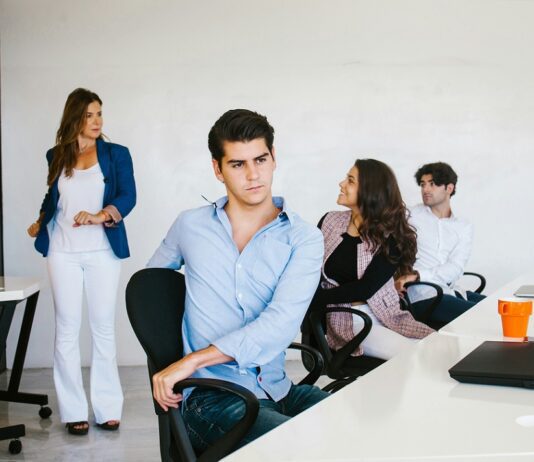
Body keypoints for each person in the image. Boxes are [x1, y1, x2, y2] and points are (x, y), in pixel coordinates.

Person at [147, 109, 327, 450]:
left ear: (274, 158)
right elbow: (148, 291)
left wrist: (193, 359)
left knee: (356, 433)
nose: (253, 174)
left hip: (279, 389)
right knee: (300, 450)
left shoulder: (303, 238)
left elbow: (280, 324)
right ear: (218, 169)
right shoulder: (190, 226)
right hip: (212, 398)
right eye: (237, 164)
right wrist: (172, 358)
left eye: (260, 159)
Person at [27, 88, 136, 435]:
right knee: (67, 329)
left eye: (99, 114)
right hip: (62, 251)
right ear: (74, 116)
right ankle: (73, 411)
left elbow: (128, 195)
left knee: (103, 327)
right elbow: (54, 196)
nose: (97, 121)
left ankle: (107, 409)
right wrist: (40, 219)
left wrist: (100, 215)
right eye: (89, 115)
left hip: (103, 251)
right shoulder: (56, 154)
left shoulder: (117, 154)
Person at [311, 159, 434, 360]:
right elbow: (310, 271)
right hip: (351, 320)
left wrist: (313, 299)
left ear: (370, 191)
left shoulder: (391, 235)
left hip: (389, 316)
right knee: (413, 358)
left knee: (437, 350)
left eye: (350, 181)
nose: (341, 184)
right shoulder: (329, 222)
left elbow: (365, 288)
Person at [405, 162, 484, 327]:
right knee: (486, 319)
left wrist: (419, 274)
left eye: (432, 184)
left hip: (452, 291)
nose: (425, 189)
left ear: (449, 188)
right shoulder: (409, 216)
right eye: (422, 184)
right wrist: (414, 278)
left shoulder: (463, 227)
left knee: (500, 307)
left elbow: (456, 268)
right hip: (423, 295)